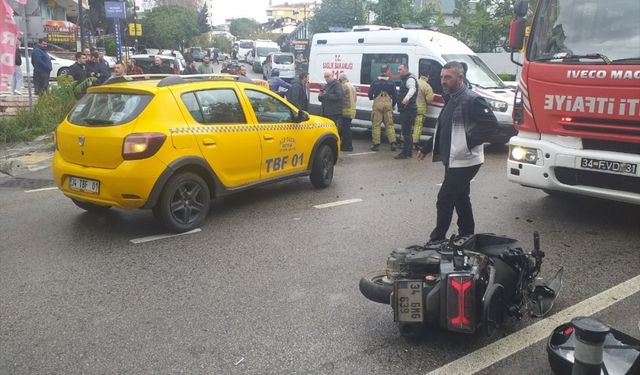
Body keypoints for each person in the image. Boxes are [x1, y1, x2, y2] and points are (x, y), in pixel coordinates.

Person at [417, 61, 498, 243]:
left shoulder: (472, 99)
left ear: (460, 78)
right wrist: (427, 147)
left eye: (448, 77)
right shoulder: (451, 98)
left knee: (444, 198)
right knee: (461, 197)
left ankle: (437, 239)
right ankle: (467, 234)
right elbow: (443, 128)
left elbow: (491, 125)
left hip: (465, 160)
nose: (443, 81)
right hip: (453, 159)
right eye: (442, 77)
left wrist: (467, 141)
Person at [368, 64, 398, 151]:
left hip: (377, 106)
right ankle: (393, 143)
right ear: (387, 71)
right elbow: (395, 97)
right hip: (388, 105)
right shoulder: (392, 82)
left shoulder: (375, 81)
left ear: (380, 71)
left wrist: (372, 98)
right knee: (389, 125)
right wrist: (392, 105)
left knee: (376, 125)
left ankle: (376, 145)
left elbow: (369, 94)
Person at [394, 64, 418, 159]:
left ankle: (404, 153)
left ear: (406, 69)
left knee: (406, 132)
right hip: (408, 109)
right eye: (398, 69)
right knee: (408, 132)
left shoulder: (410, 79)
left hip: (408, 109)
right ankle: (408, 152)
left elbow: (412, 89)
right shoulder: (406, 79)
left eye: (400, 69)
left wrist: (406, 98)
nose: (398, 71)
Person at [412, 71, 435, 149]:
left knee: (407, 125)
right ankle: (414, 143)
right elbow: (429, 100)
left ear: (420, 75)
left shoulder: (414, 82)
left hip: (411, 107)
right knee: (417, 126)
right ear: (427, 76)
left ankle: (403, 141)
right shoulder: (427, 86)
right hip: (420, 109)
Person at [339, 73, 356, 152]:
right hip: (352, 110)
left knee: (345, 129)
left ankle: (348, 146)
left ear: (341, 79)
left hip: (346, 111)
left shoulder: (344, 86)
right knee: (347, 129)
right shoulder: (351, 86)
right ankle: (348, 145)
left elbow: (340, 97)